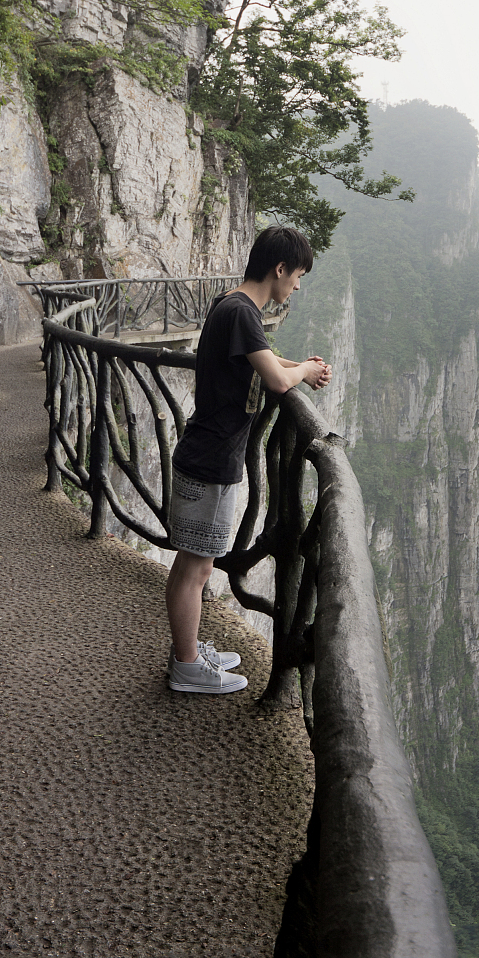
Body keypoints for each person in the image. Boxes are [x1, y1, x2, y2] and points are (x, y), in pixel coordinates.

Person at [164, 226, 334, 695]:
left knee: (191, 564)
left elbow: (270, 366)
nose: (297, 286)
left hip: (207, 452)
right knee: (196, 568)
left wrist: (301, 367)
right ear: (279, 269)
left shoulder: (234, 306)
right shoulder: (241, 311)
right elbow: (279, 382)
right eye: (297, 275)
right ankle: (186, 666)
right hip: (211, 459)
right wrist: (303, 371)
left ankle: (191, 650)